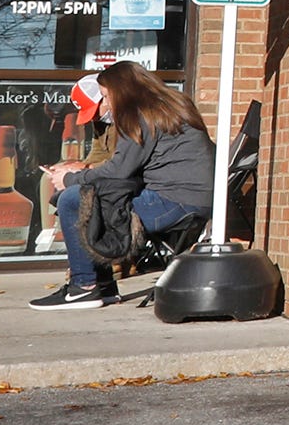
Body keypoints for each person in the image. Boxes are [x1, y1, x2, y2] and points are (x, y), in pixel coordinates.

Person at [29, 62, 214, 313]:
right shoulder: (172, 106)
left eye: (106, 96)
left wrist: (70, 179)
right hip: (193, 200)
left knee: (72, 199)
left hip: (173, 202)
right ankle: (104, 286)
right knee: (90, 197)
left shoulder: (141, 116)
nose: (107, 104)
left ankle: (83, 287)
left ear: (121, 90)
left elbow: (120, 171)